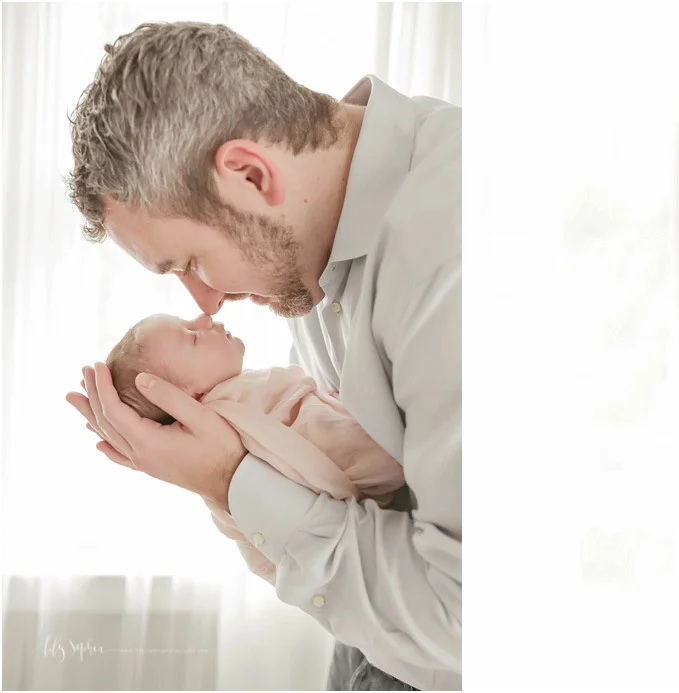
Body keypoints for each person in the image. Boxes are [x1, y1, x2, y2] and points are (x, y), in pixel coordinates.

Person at [61, 22, 461, 691]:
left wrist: (229, 478)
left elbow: (464, 622)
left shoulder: (449, 252)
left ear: (249, 173)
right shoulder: (315, 257)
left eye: (190, 261)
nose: (208, 301)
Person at [104, 313, 407, 586]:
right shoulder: (229, 414)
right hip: (358, 480)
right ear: (190, 398)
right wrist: (352, 483)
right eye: (193, 337)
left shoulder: (241, 393)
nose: (205, 318)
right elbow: (297, 459)